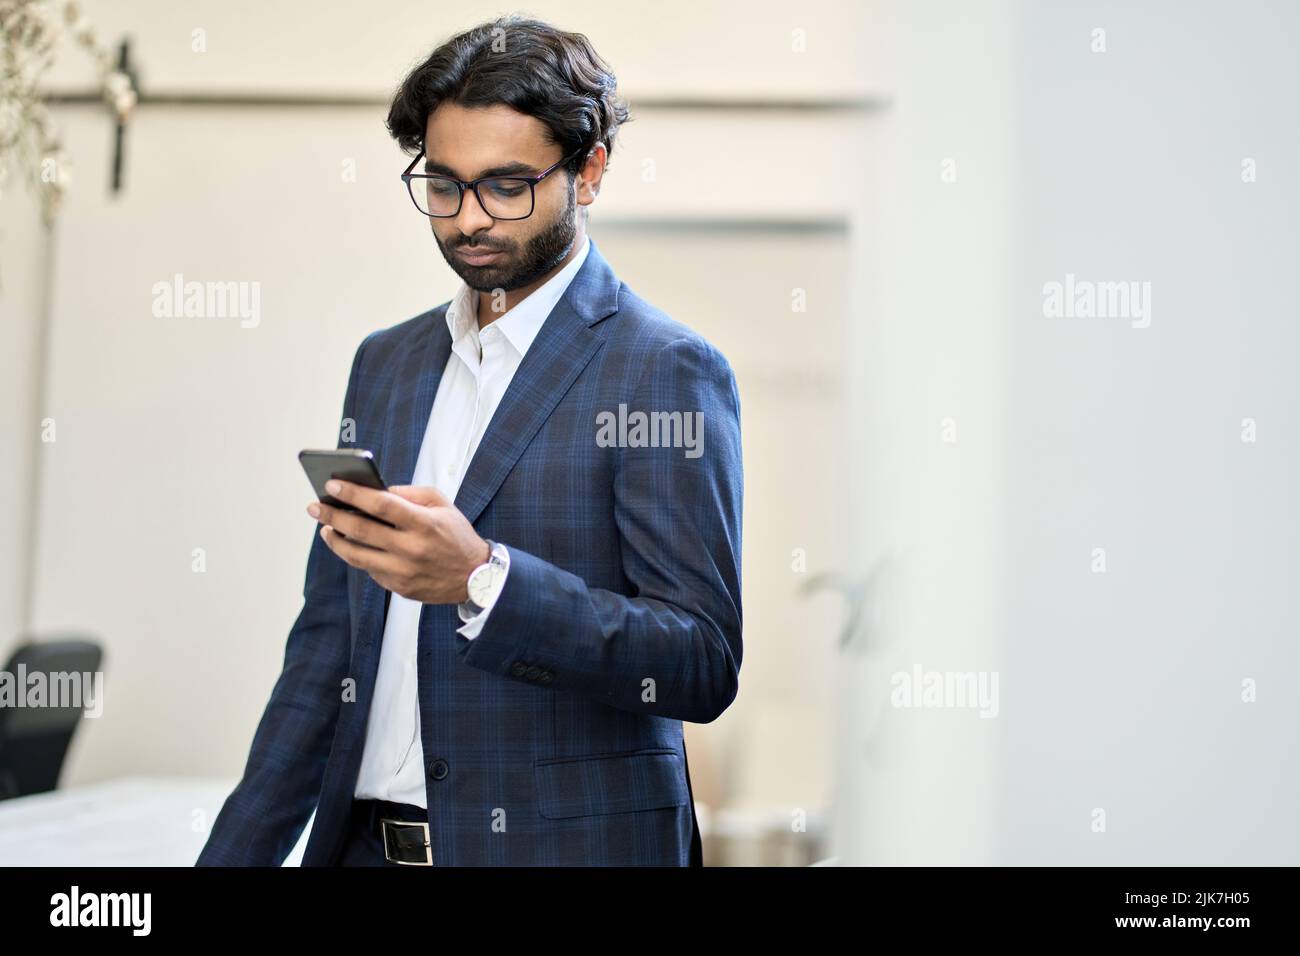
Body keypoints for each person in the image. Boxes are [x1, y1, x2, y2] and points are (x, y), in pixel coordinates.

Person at [197, 14, 743, 867]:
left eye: (507, 186)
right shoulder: (385, 365)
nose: (469, 220)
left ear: (589, 171)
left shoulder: (662, 368)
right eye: (445, 186)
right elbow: (326, 656)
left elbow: (700, 661)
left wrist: (484, 580)